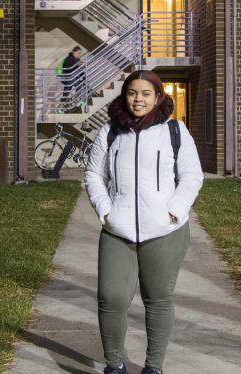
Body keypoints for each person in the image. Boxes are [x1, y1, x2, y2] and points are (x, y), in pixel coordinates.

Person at [84, 70, 204, 374]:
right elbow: (94, 176)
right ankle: (115, 365)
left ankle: (153, 367)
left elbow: (192, 176)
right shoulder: (109, 132)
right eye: (132, 93)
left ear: (158, 96)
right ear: (125, 96)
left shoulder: (175, 131)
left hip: (165, 230)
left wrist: (173, 211)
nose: (138, 99)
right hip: (117, 229)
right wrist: (106, 210)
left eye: (146, 93)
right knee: (111, 297)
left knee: (158, 298)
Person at [59, 46, 83, 111]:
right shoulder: (68, 59)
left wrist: (83, 76)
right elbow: (67, 68)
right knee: (78, 84)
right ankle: (77, 101)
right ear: (73, 52)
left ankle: (59, 108)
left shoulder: (77, 59)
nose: (79, 54)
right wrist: (76, 65)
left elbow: (79, 69)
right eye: (78, 53)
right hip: (67, 77)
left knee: (66, 92)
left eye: (80, 53)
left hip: (71, 78)